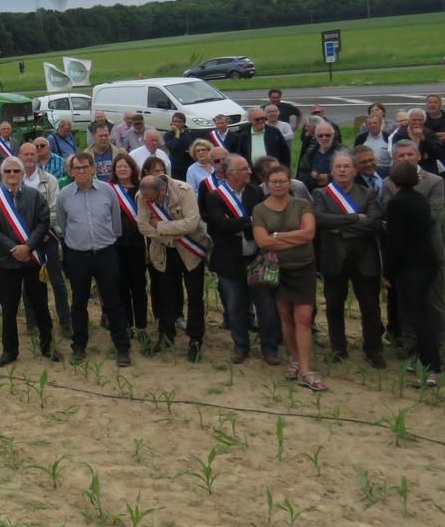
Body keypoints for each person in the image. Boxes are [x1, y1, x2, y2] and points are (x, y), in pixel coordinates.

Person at [0, 156, 62, 365]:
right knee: (9, 309)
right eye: (7, 172)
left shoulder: (35, 196)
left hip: (32, 259)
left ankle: (47, 346)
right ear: (1, 175)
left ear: (22, 174)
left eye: (15, 171)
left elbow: (43, 223)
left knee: (40, 305)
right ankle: (10, 350)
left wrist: (28, 247)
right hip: (6, 262)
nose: (11, 175)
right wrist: (12, 248)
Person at [203, 155, 281, 365]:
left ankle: (269, 348)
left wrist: (239, 223)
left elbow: (264, 220)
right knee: (235, 307)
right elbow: (222, 226)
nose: (249, 172)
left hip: (256, 258)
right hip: (229, 261)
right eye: (244, 169)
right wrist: (249, 221)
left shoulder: (255, 191)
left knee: (265, 307)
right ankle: (241, 346)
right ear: (231, 174)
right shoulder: (214, 197)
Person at [57, 153, 131, 366]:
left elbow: (116, 225)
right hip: (77, 256)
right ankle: (79, 346)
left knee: (113, 302)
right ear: (71, 171)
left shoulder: (108, 191)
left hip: (105, 254)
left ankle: (122, 348)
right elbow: (63, 225)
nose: (81, 171)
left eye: (84, 167)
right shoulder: (64, 196)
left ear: (93, 169)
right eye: (76, 168)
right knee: (79, 303)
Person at [312, 152, 385, 367]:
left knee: (370, 307)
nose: (342, 170)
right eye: (338, 167)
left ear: (355, 170)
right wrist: (353, 218)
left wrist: (340, 228)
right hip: (334, 258)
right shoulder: (321, 193)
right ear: (332, 171)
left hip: (365, 258)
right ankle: (338, 347)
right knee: (334, 305)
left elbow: (374, 222)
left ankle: (373, 349)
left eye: (346, 166)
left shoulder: (368, 193)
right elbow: (320, 220)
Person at [253, 165, 322, 390]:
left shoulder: (302, 204)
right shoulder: (260, 210)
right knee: (286, 317)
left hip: (303, 267)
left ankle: (305, 368)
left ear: (289, 182)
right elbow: (263, 242)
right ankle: (293, 358)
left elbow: (309, 233)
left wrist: (279, 236)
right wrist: (295, 237)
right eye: (274, 181)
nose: (279, 185)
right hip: (277, 269)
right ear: (267, 184)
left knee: (303, 317)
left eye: (283, 180)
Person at [137, 173, 211, 362]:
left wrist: (160, 225)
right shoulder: (142, 196)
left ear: (161, 190)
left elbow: (192, 223)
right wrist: (169, 235)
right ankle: (166, 335)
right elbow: (144, 226)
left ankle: (195, 339)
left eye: (153, 198)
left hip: (190, 250)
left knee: (194, 295)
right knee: (166, 294)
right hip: (163, 250)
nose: (148, 201)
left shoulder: (184, 191)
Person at [382, 140, 445, 355]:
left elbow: (435, 214)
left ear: (418, 156)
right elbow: (386, 212)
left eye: (410, 154)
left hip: (429, 249)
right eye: (401, 156)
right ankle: (409, 341)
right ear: (394, 159)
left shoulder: (435, 181)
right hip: (403, 255)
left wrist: (405, 220)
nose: (406, 158)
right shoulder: (387, 183)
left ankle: (438, 342)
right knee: (405, 301)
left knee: (433, 300)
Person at [20, 142, 72, 337]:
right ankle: (32, 322)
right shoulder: (16, 181)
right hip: (26, 242)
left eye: (32, 154)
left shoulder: (49, 180)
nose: (29, 157)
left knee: (57, 282)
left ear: (37, 157)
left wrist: (38, 229)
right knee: (30, 282)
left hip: (47, 237)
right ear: (20, 156)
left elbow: (54, 209)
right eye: (25, 154)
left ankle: (65, 321)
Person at [108, 154, 149, 343]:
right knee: (121, 286)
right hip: (117, 245)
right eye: (119, 167)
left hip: (138, 244)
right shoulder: (109, 190)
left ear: (133, 168)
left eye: (126, 166)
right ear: (114, 170)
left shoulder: (142, 189)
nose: (123, 169)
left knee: (139, 286)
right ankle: (127, 324)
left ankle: (141, 325)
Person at [297, 119, 344, 192]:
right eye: (320, 135)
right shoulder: (310, 153)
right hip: (314, 191)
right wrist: (315, 178)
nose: (324, 138)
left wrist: (328, 177)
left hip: (338, 191)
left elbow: (349, 173)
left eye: (327, 135)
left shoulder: (343, 152)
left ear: (333, 135)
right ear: (315, 136)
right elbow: (302, 174)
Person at [163, 112, 196, 181]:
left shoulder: (189, 133)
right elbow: (172, 147)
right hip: (175, 166)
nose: (177, 124)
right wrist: (177, 133)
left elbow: (194, 147)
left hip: (188, 164)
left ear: (184, 123)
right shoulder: (168, 135)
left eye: (179, 122)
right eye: (175, 121)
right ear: (172, 122)